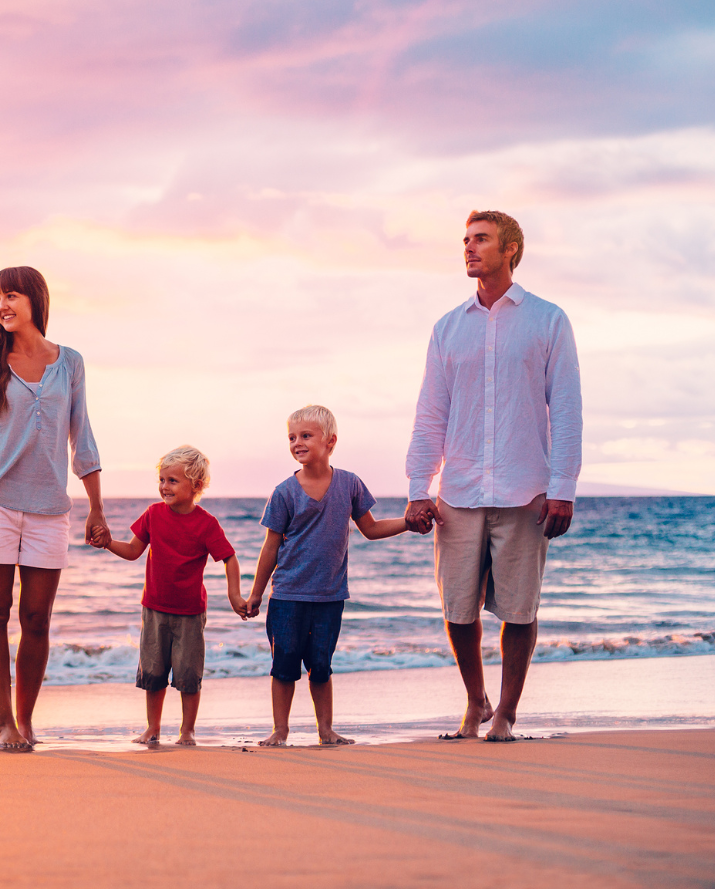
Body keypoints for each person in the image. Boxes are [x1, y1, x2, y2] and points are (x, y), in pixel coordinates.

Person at [405, 210, 582, 742]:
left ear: (510, 250)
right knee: (457, 609)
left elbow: (567, 409)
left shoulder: (548, 320)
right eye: (465, 240)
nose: (469, 247)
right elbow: (430, 413)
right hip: (457, 491)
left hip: (526, 490)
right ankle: (474, 700)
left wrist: (564, 487)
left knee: (520, 610)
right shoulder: (447, 328)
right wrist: (418, 488)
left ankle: (505, 712)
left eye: (480, 239)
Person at [0, 266, 107, 751]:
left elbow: (81, 435)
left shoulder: (70, 363)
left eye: (11, 295)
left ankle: (26, 719)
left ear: (35, 299)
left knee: (37, 619)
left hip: (49, 508)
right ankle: (3, 724)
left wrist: (95, 506)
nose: (2, 306)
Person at [246, 405, 425, 746]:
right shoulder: (284, 492)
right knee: (283, 667)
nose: (297, 442)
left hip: (329, 597)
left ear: (330, 441)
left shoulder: (349, 484)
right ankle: (280, 731)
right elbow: (270, 547)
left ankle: (325, 731)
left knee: (321, 666)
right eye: (292, 437)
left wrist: (409, 523)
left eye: (306, 436)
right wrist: (256, 593)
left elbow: (370, 528)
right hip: (286, 596)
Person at [91, 446, 246, 746]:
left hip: (190, 612)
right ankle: (153, 728)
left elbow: (230, 558)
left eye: (173, 481)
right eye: (162, 480)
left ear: (196, 486)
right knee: (153, 672)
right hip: (154, 608)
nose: (164, 486)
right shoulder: (153, 514)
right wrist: (108, 542)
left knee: (188, 675)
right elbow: (135, 551)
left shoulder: (206, 523)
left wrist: (234, 595)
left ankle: (187, 731)